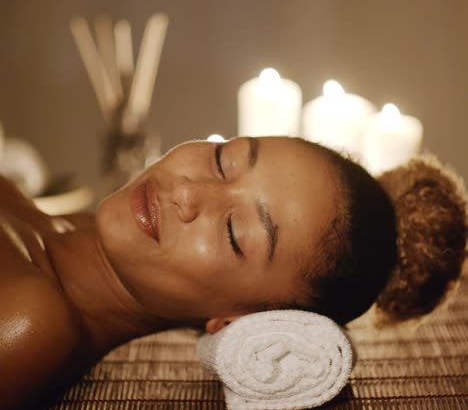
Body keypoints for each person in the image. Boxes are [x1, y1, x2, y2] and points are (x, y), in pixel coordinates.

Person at [0, 136, 466, 408]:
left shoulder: (29, 325)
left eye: (234, 234)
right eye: (224, 160)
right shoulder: (51, 228)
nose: (186, 190)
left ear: (235, 321)